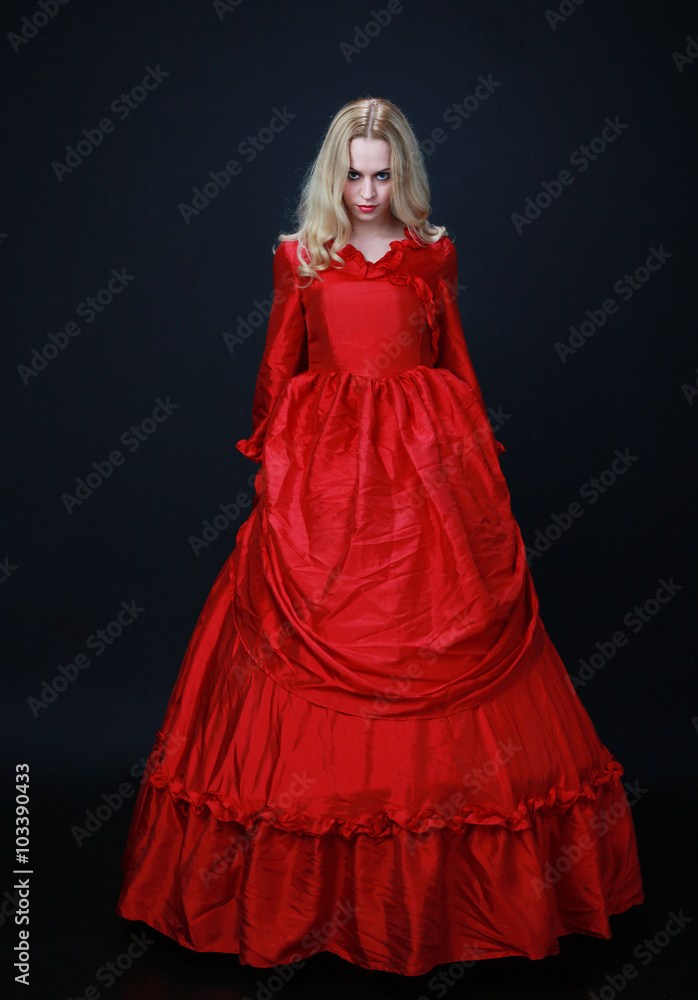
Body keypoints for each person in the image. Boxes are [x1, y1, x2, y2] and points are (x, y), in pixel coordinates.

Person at [116, 96, 643, 976]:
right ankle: (311, 900)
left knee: (447, 641)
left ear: (404, 172)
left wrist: (475, 453)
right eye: (353, 173)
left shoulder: (434, 252)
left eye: (382, 172)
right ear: (335, 173)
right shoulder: (299, 257)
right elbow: (278, 368)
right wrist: (274, 462)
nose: (367, 189)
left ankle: (448, 899)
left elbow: (455, 359)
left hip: (426, 477)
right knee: (301, 654)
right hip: (325, 477)